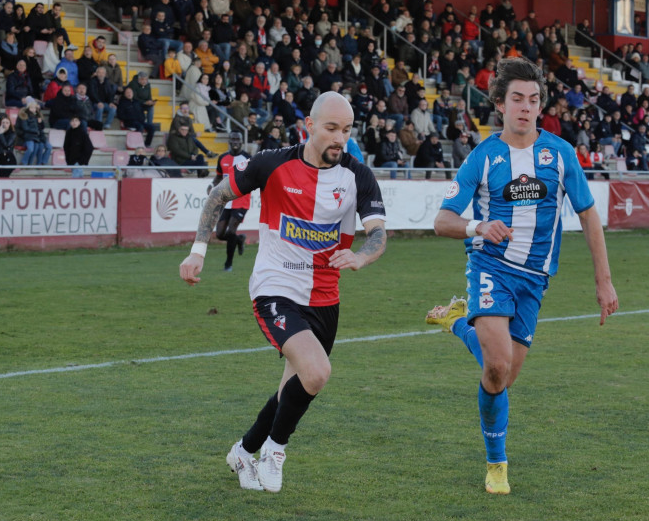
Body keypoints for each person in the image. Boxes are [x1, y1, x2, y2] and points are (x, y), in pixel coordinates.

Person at [426, 57, 618, 496]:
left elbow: (589, 214)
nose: (526, 108)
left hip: (534, 280)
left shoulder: (561, 153)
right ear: (499, 104)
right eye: (517, 99)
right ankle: (497, 463)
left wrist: (603, 280)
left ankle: (457, 321)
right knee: (495, 365)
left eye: (533, 100)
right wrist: (478, 226)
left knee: (504, 378)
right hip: (490, 267)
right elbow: (441, 220)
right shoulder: (484, 156)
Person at [179, 91, 387, 493]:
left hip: (326, 298)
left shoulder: (358, 175)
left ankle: (244, 450)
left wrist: (361, 257)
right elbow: (219, 196)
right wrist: (197, 251)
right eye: (330, 128)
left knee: (294, 388)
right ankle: (275, 451)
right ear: (308, 126)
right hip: (275, 287)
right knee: (317, 371)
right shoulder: (272, 163)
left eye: (345, 130)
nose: (338, 138)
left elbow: (378, 233)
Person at [210, 132, 251, 271]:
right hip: (226, 201)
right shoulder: (222, 158)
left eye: (237, 139)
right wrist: (212, 186)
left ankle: (228, 264)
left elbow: (254, 177)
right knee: (220, 234)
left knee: (232, 230)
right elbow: (218, 177)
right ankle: (239, 240)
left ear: (241, 142)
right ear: (229, 141)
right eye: (233, 139)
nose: (235, 142)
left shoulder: (247, 158)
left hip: (241, 201)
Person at [16, 101, 50, 166]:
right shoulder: (25, 116)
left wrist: (40, 123)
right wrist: (36, 131)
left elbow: (41, 128)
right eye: (31, 108)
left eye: (34, 108)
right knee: (32, 148)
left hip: (37, 137)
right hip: (28, 137)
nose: (33, 109)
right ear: (28, 108)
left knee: (41, 147)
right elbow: (25, 128)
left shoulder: (37, 116)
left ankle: (35, 163)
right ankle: (24, 162)